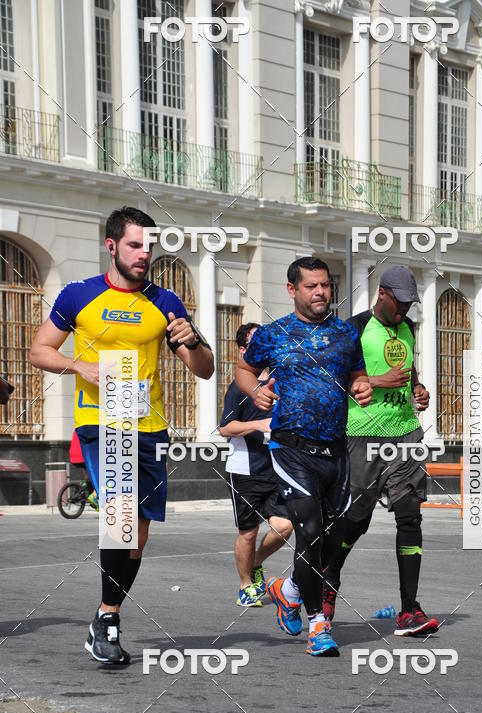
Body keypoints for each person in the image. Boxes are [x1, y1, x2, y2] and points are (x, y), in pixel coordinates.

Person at [30, 206, 214, 665]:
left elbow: (206, 371)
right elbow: (39, 350)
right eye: (134, 244)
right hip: (100, 421)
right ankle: (110, 621)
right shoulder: (79, 296)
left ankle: (102, 617)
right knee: (121, 519)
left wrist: (192, 340)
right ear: (111, 246)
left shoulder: (165, 301)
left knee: (136, 536)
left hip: (148, 427)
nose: (144, 253)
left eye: (149, 245)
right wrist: (80, 366)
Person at [235, 257, 372, 657]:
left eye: (326, 286)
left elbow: (356, 376)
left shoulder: (346, 334)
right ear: (292, 289)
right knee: (309, 530)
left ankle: (288, 588)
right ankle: (318, 625)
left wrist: (361, 385)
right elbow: (244, 369)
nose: (321, 293)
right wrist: (254, 391)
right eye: (312, 286)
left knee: (333, 538)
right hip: (291, 448)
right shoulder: (275, 333)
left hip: (336, 449)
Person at [323, 265, 438, 636]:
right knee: (356, 520)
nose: (404, 311)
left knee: (410, 516)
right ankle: (328, 578)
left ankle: (409, 610)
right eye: (400, 303)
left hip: (405, 434)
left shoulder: (407, 328)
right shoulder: (353, 328)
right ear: (383, 294)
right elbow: (330, 379)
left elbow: (409, 372)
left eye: (409, 304)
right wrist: (376, 381)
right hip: (361, 437)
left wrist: (418, 390)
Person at [219, 322, 293, 607]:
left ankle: (256, 563)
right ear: (243, 349)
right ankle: (245, 585)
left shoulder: (280, 381)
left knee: (285, 526)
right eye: (255, 342)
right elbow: (225, 428)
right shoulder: (240, 387)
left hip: (278, 468)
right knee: (248, 533)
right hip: (245, 470)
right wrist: (258, 425)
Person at [69, 429, 99, 511]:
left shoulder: (78, 429)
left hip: (73, 457)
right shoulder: (91, 430)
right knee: (100, 475)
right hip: (83, 457)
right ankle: (94, 496)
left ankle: (83, 487)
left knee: (88, 476)